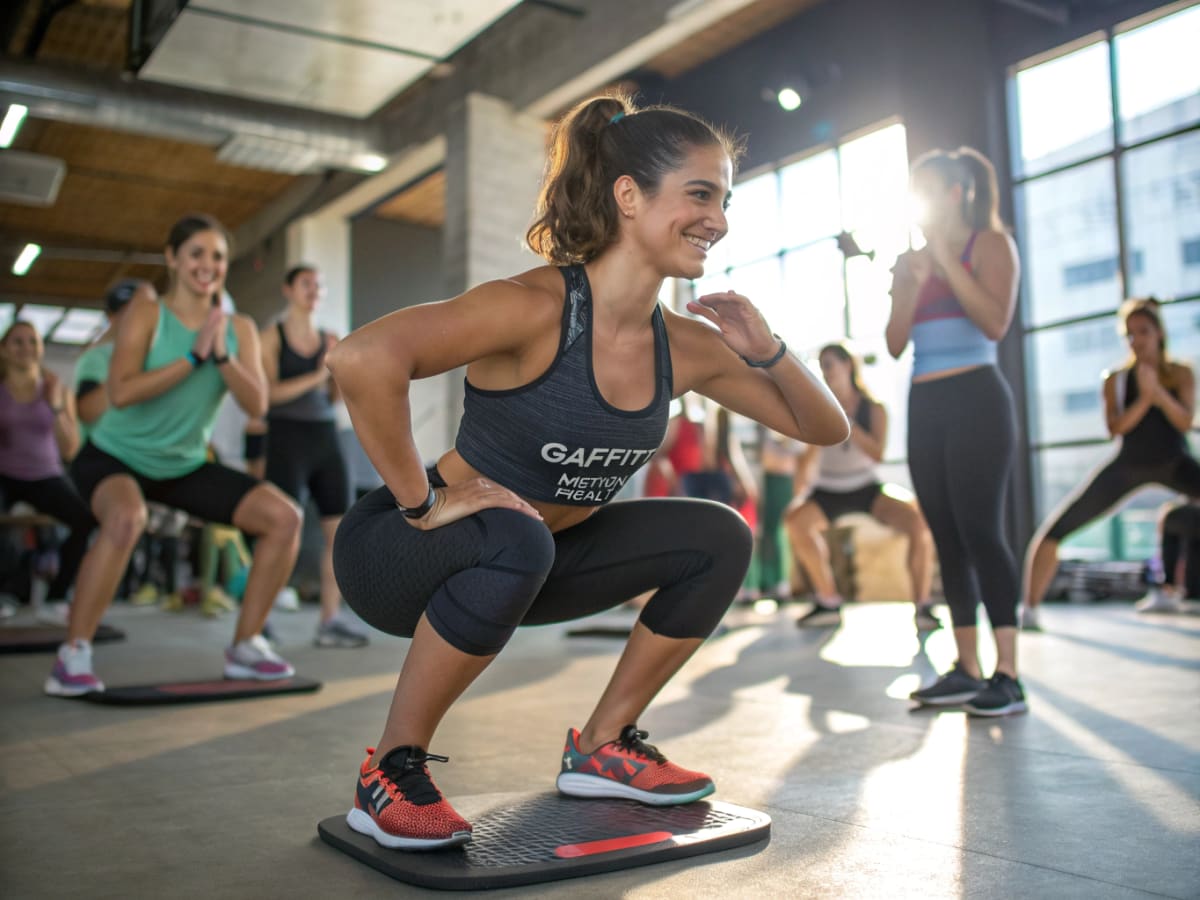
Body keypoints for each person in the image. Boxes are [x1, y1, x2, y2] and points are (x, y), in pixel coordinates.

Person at [326, 91, 848, 850]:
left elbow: (823, 427)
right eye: (700, 194)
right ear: (629, 197)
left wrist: (766, 347)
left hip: (537, 559)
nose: (720, 219)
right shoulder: (538, 307)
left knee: (719, 536)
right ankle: (390, 770)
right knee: (517, 535)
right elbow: (364, 357)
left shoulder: (688, 346)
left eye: (724, 199)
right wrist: (419, 502)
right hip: (403, 553)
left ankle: (604, 743)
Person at [48, 213, 303, 696]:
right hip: (114, 456)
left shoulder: (239, 329)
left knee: (284, 518)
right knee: (126, 518)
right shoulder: (147, 313)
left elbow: (258, 405)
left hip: (182, 464)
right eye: (197, 254)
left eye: (219, 257)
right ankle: (72, 654)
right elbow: (120, 393)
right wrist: (192, 360)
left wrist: (222, 355)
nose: (208, 265)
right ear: (172, 258)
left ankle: (246, 646)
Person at [886, 146, 1025, 716]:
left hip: (978, 397)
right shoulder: (907, 260)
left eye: (928, 189)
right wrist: (915, 282)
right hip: (927, 401)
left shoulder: (990, 244)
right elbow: (895, 343)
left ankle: (1008, 675)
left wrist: (945, 258)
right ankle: (966, 668)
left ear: (957, 193)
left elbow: (995, 322)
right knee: (945, 535)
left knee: (980, 530)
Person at [1022, 298, 1198, 626]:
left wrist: (1158, 392)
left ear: (1158, 332)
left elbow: (1185, 422)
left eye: (1143, 332)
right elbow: (1115, 428)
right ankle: (1029, 609)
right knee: (1054, 531)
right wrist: (1145, 397)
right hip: (1128, 465)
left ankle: (1169, 589)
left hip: (1174, 461)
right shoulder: (1115, 379)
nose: (1137, 340)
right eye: (1130, 335)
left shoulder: (1180, 373)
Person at [787, 342, 937, 630]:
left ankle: (922, 605)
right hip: (827, 489)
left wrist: (847, 424)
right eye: (821, 366)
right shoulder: (817, 407)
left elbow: (877, 453)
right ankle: (828, 600)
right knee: (795, 522)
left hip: (867, 487)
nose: (824, 371)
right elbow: (806, 461)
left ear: (848, 366)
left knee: (918, 525)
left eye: (829, 364)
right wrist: (799, 492)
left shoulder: (875, 409)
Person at [260, 264, 367, 648]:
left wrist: (335, 376)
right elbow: (266, 396)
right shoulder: (271, 337)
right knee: (278, 528)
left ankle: (329, 620)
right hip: (286, 436)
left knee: (338, 533)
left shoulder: (330, 339)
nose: (313, 290)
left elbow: (334, 397)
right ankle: (260, 619)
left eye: (318, 285)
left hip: (325, 436)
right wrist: (317, 374)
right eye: (306, 283)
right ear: (288, 290)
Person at [0, 320, 94, 608]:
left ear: (41, 349)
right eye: (18, 341)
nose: (26, 348)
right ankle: (6, 591)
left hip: (45, 475)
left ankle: (57, 596)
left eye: (32, 341)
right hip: (4, 474)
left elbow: (70, 449)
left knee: (86, 520)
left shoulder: (58, 390)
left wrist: (55, 406)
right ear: (4, 349)